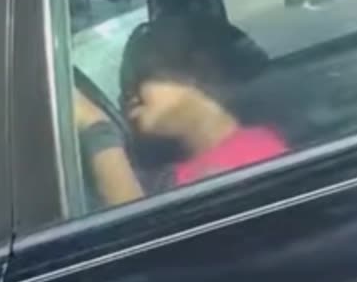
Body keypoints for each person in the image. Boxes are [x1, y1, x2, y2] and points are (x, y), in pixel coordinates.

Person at [75, 12, 289, 205]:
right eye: (124, 87)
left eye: (142, 75)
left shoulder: (247, 166)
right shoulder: (175, 170)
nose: (129, 95)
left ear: (199, 72)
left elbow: (149, 233)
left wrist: (97, 129)